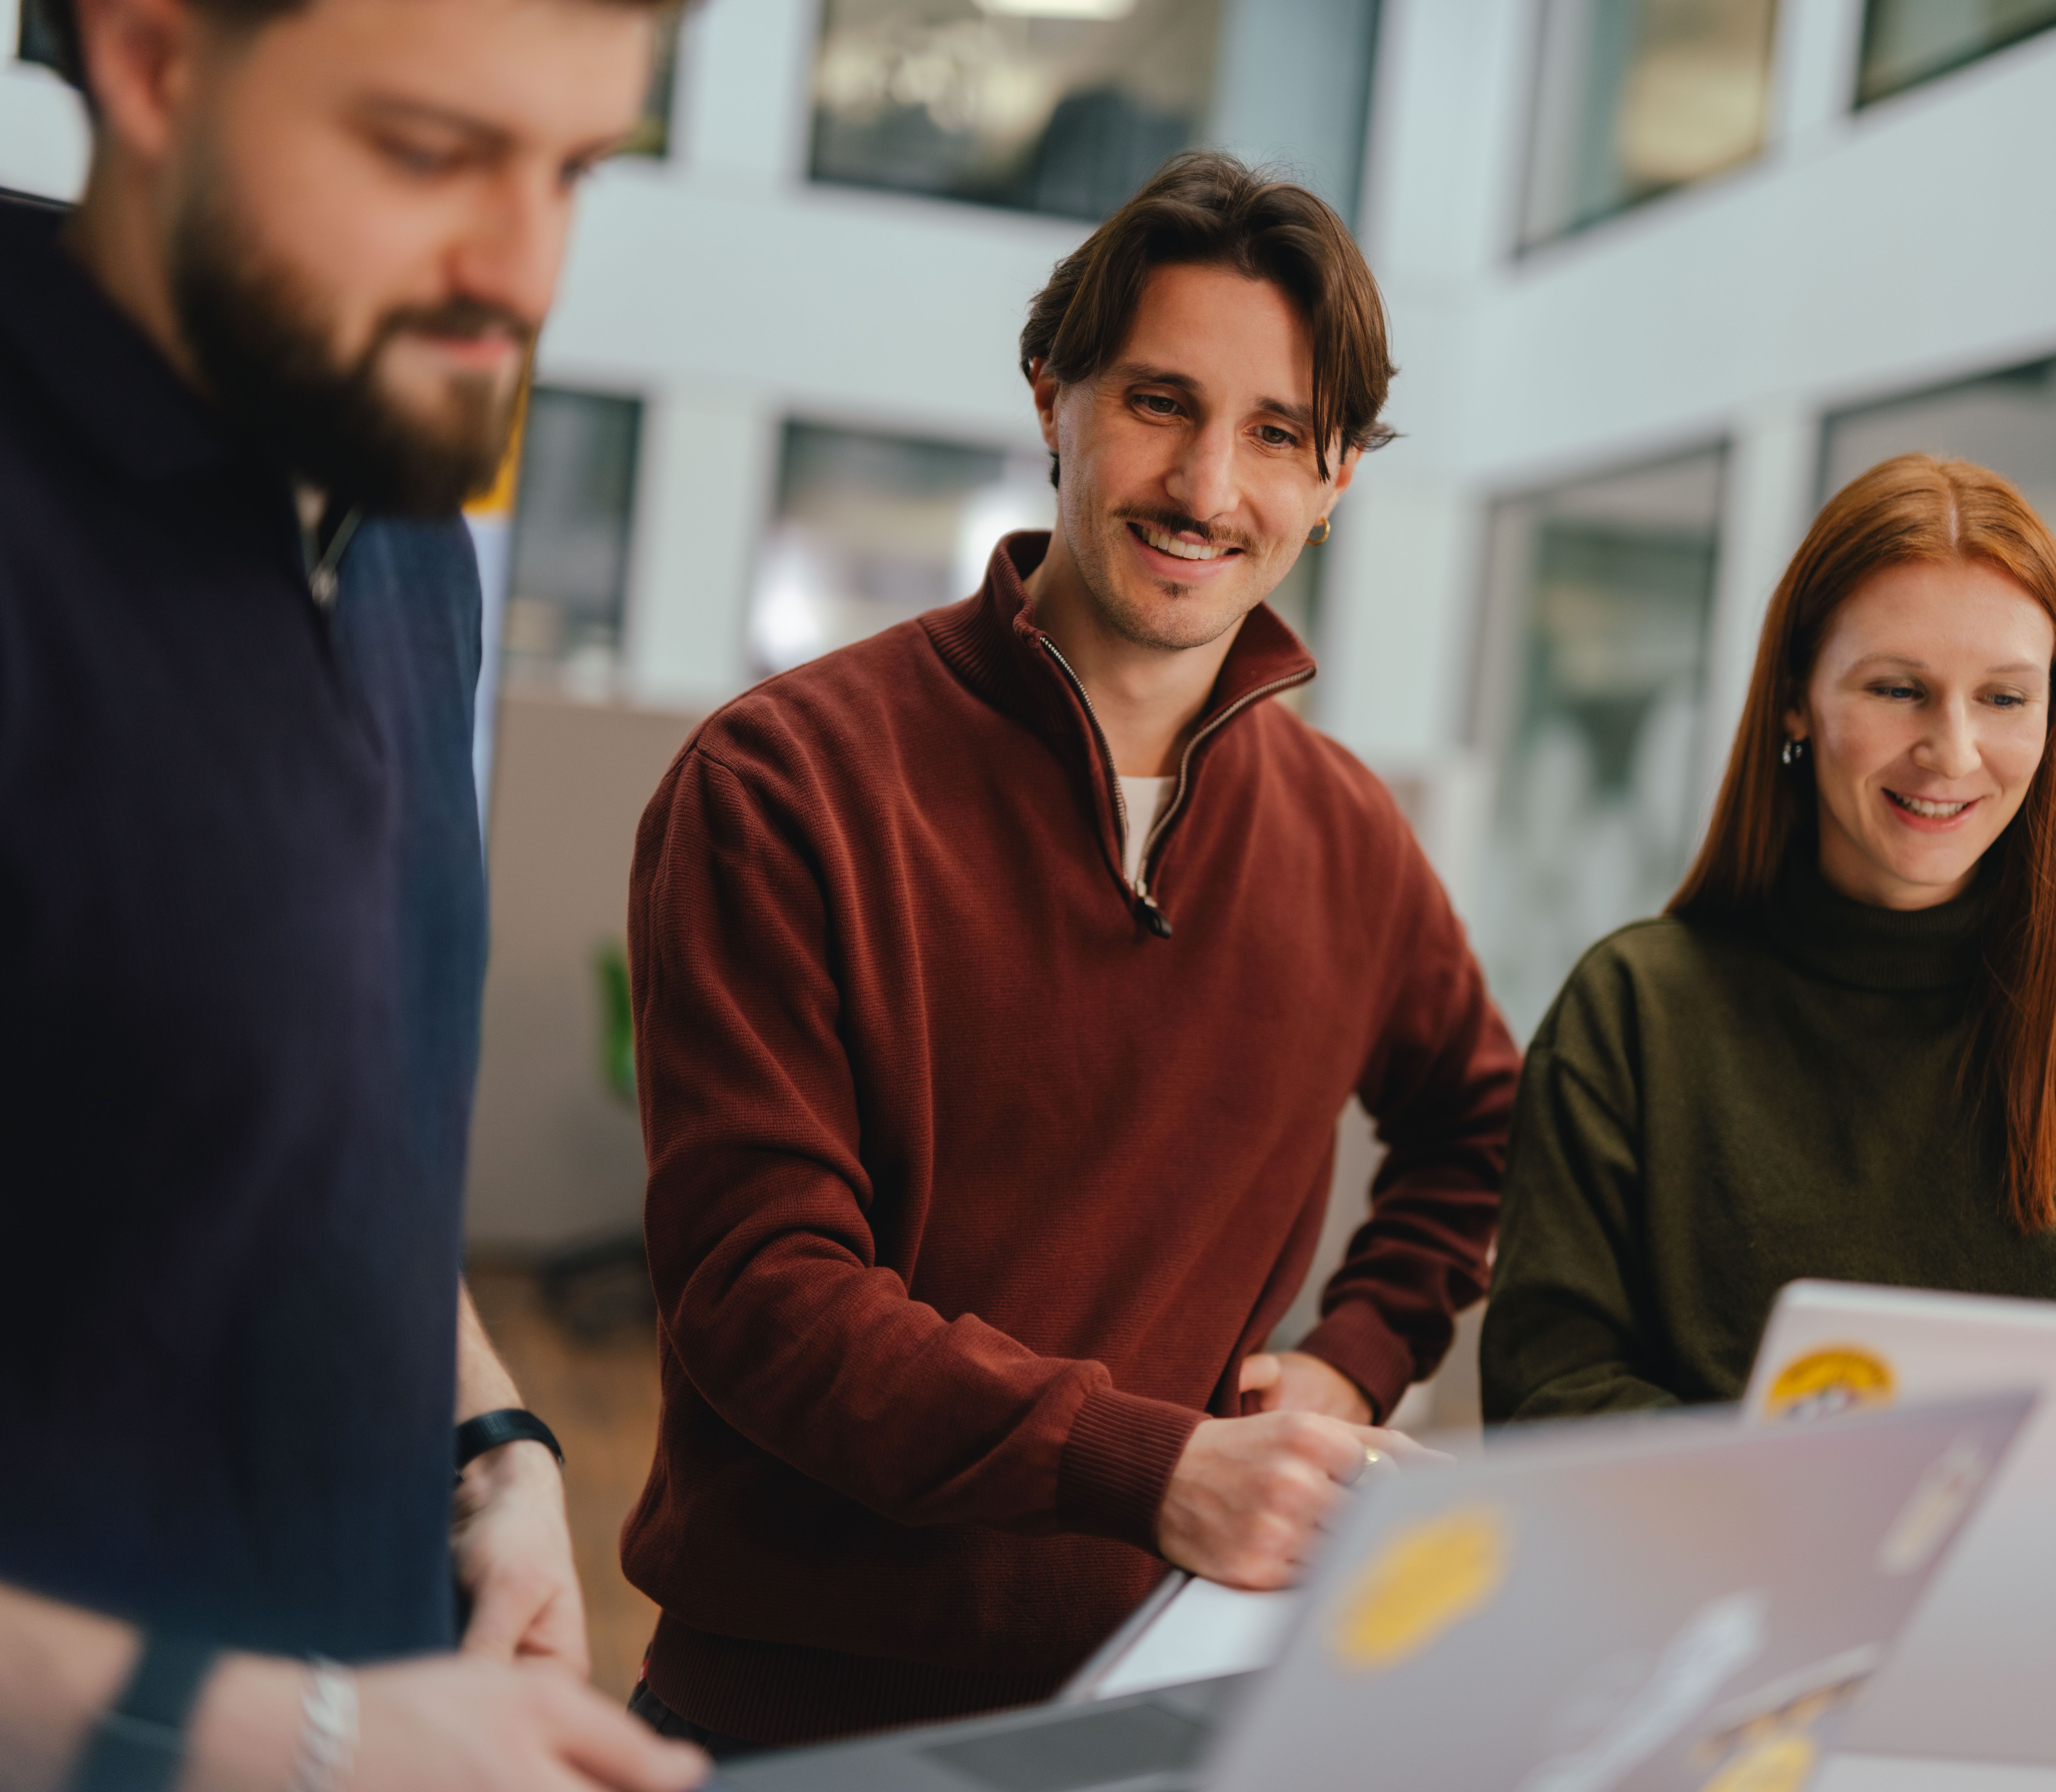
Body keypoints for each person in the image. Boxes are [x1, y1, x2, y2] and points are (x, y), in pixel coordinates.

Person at [623, 151, 1520, 1754]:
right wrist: (1145, 1465)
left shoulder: (1347, 834)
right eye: (1161, 403)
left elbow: (1483, 1127)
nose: (1206, 489)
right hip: (802, 1721)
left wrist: (1355, 1359)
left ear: (1336, 481)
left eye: (1275, 437)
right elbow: (761, 1290)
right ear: (1054, 398)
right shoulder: (787, 782)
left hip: (1173, 1710)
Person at [0, 1, 706, 1788]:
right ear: (156, 64)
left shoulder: (399, 535)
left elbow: (311, 1132)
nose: (521, 269)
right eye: (430, 153)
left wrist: (488, 1444)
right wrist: (294, 1735)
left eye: (573, 172)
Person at [1480, 453, 2056, 1423]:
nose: (1953, 752)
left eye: (2004, 698)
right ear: (1797, 699)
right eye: (1898, 689)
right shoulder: (1636, 1013)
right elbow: (1549, 1397)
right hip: (1723, 1574)